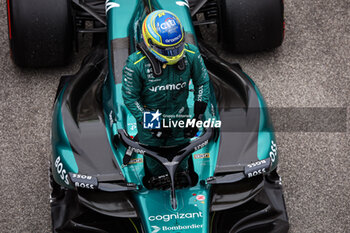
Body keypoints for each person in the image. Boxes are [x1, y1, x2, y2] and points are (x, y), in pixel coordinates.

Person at [122, 10, 210, 149]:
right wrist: (152, 124)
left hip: (180, 121)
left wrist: (197, 116)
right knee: (154, 165)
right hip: (150, 127)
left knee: (182, 161)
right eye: (167, 50)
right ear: (150, 42)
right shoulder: (135, 64)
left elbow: (202, 82)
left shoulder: (192, 54)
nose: (173, 54)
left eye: (177, 48)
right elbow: (130, 98)